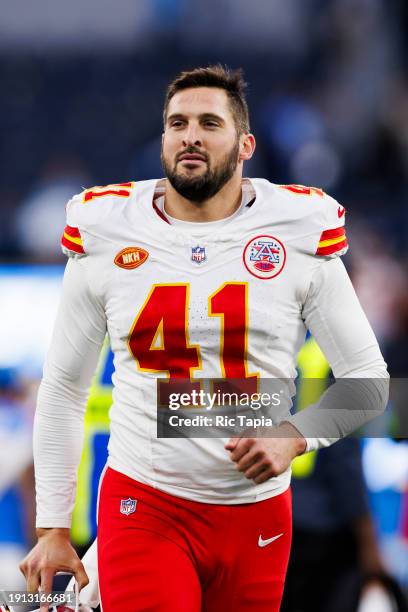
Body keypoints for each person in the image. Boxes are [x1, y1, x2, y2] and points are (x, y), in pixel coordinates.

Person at [20, 65, 389, 612]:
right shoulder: (108, 228)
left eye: (209, 123)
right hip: (145, 506)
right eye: (178, 123)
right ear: (164, 138)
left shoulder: (296, 228)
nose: (190, 134)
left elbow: (368, 382)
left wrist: (294, 435)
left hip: (258, 513)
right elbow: (64, 389)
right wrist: (52, 524)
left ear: (245, 145)